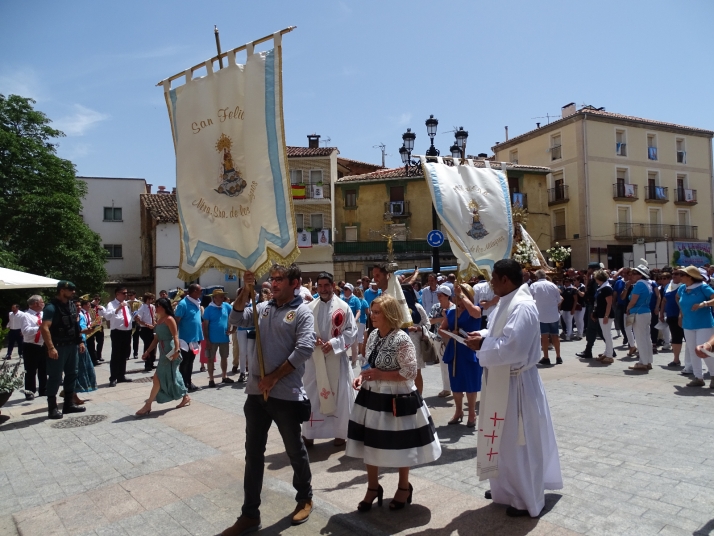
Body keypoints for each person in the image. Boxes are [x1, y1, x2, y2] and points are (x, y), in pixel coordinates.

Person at [222, 264, 316, 535]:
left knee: (293, 450)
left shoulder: (301, 312)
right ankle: (249, 514)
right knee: (253, 454)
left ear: (294, 282)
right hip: (255, 395)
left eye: (279, 279)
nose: (273, 284)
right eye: (271, 279)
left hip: (285, 396)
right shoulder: (261, 307)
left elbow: (305, 348)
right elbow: (237, 319)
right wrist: (245, 290)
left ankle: (305, 497)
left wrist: (274, 377)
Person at [464, 259, 562, 517]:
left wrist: (481, 347)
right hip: (501, 380)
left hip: (517, 384)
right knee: (501, 440)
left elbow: (513, 347)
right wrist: (483, 337)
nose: (490, 284)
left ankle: (525, 497)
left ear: (505, 279)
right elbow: (499, 332)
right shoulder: (506, 302)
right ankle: (505, 489)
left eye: (493, 279)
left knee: (519, 442)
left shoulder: (522, 306)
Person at [347, 294, 441, 512]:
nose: (372, 315)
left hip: (397, 396)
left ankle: (403, 486)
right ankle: (372, 487)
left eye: (377, 312)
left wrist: (380, 374)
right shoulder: (371, 336)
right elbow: (368, 362)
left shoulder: (402, 338)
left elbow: (409, 372)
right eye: (372, 311)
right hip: (372, 395)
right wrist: (362, 376)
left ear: (389, 314)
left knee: (401, 442)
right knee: (370, 442)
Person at [302, 272, 357, 448]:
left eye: (327, 285)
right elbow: (302, 330)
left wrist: (333, 343)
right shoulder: (309, 307)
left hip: (336, 357)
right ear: (316, 287)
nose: (323, 289)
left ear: (333, 286)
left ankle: (340, 433)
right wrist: (313, 340)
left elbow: (351, 332)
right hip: (314, 359)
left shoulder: (344, 307)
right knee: (312, 394)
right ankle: (309, 434)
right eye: (320, 286)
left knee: (339, 395)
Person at [39, 281, 87, 419]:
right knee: (55, 377)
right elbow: (44, 327)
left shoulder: (71, 305)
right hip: (58, 347)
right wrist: (51, 347)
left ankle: (68, 404)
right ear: (62, 290)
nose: (73, 292)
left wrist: (80, 341)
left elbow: (75, 325)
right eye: (70, 289)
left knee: (72, 374)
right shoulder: (51, 307)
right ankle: (52, 408)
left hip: (72, 345)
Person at [135, 298, 190, 415]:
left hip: (170, 350)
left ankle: (148, 405)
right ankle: (185, 396)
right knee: (173, 373)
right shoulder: (159, 320)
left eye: (158, 306)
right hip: (163, 349)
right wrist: (147, 351)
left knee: (157, 377)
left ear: (164, 307)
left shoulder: (170, 319)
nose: (156, 307)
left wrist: (177, 350)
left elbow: (175, 336)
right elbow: (156, 339)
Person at [439, 283, 482, 427]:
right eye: (457, 296)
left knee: (470, 384)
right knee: (456, 384)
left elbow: (475, 314)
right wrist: (452, 334)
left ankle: (471, 413)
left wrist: (462, 295)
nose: (458, 299)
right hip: (455, 350)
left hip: (469, 350)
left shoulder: (474, 310)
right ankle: (458, 411)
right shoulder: (451, 313)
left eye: (461, 295)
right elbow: (441, 330)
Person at [677, 266, 714, 386]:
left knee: (704, 350)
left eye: (682, 275)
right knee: (693, 351)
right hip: (688, 324)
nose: (679, 276)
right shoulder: (682, 288)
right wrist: (681, 315)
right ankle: (698, 377)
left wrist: (704, 304)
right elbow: (679, 300)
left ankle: (713, 375)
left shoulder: (703, 287)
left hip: (704, 324)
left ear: (690, 277)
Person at [530, 270, 563, 365]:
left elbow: (530, 299)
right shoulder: (553, 285)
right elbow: (559, 299)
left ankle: (546, 357)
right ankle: (558, 356)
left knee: (544, 336)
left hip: (541, 315)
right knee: (555, 335)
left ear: (536, 277)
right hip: (553, 314)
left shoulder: (534, 286)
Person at [203, 289, 235, 387]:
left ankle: (224, 376)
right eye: (220, 296)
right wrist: (207, 340)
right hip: (212, 339)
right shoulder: (208, 309)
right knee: (210, 359)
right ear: (214, 298)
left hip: (224, 338)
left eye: (222, 296)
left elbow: (235, 316)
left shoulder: (226, 306)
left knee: (224, 358)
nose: (222, 298)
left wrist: (233, 329)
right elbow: (205, 326)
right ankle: (211, 379)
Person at [175, 283, 203, 392]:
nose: (201, 293)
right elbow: (176, 320)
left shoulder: (196, 303)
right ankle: (183, 384)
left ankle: (188, 382)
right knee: (184, 362)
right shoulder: (183, 304)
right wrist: (175, 337)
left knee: (191, 361)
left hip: (195, 339)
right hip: (184, 339)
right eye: (200, 291)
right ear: (194, 291)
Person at [626, 261, 653, 371]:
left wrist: (627, 308)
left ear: (641, 275)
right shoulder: (648, 284)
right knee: (646, 338)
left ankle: (643, 362)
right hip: (645, 312)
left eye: (635, 273)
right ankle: (648, 361)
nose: (632, 275)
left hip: (638, 312)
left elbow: (633, 300)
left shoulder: (639, 284)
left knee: (640, 338)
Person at [403, 284, 430, 395]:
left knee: (416, 372)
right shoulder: (399, 309)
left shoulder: (418, 307)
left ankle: (419, 397)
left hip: (416, 344)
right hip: (402, 343)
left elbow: (428, 324)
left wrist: (416, 328)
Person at [429, 284, 455, 398]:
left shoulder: (454, 308)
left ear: (447, 296)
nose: (438, 297)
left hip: (452, 339)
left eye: (441, 295)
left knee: (455, 364)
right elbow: (430, 321)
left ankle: (457, 388)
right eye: (438, 294)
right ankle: (446, 388)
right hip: (439, 339)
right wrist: (443, 318)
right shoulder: (436, 307)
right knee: (443, 365)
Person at [19, 295, 47, 400]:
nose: (43, 303)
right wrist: (39, 327)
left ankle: (44, 389)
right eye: (42, 302)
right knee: (30, 370)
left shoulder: (43, 314)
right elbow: (25, 331)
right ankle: (30, 391)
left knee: (43, 368)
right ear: (36, 303)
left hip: (43, 344)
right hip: (30, 345)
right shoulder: (25, 315)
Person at [105, 286, 134, 386]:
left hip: (127, 331)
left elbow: (127, 316)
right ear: (117, 294)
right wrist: (118, 308)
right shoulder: (111, 304)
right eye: (124, 293)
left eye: (126, 293)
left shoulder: (127, 304)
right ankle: (113, 378)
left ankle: (121, 376)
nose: (126, 295)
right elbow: (107, 316)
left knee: (124, 354)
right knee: (116, 355)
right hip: (117, 332)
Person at [662, 269, 685, 367]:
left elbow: (683, 303)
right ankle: (676, 360)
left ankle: (692, 362)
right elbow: (664, 300)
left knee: (688, 339)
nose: (674, 276)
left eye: (677, 274)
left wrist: (681, 315)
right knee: (675, 338)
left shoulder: (684, 287)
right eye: (673, 274)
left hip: (683, 316)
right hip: (671, 316)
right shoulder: (668, 286)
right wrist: (661, 313)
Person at [75, 300, 98, 396]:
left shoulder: (81, 316)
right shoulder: (71, 317)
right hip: (75, 344)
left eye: (80, 305)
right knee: (76, 369)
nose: (79, 307)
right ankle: (73, 392)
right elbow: (76, 331)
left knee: (86, 367)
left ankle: (82, 388)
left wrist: (90, 329)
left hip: (83, 342)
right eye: (76, 305)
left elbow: (82, 329)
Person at [592, 270, 615, 363]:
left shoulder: (606, 288)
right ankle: (607, 352)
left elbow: (609, 303)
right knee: (606, 334)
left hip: (606, 315)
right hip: (602, 313)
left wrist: (606, 315)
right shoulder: (602, 287)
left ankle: (610, 355)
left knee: (607, 335)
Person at [342, 283, 362, 367]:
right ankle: (343, 362)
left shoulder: (355, 299)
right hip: (344, 324)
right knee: (343, 342)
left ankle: (354, 361)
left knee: (354, 343)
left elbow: (358, 311)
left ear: (350, 290)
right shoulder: (342, 299)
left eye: (346, 289)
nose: (344, 290)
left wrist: (354, 320)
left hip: (353, 324)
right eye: (344, 289)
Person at [136, 293, 157, 371]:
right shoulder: (142, 308)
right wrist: (148, 325)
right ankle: (147, 364)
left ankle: (152, 363)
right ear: (147, 299)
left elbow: (154, 317)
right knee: (147, 346)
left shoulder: (152, 307)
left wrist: (154, 323)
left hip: (152, 328)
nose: (152, 300)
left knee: (153, 345)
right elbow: (139, 320)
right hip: (145, 329)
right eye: (151, 299)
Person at [353, 287, 369, 363]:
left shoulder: (363, 301)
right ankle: (358, 352)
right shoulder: (359, 301)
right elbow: (367, 312)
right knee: (358, 337)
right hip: (358, 321)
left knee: (359, 337)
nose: (356, 293)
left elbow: (367, 312)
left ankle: (360, 352)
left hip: (361, 321)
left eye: (357, 291)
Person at [559, 277, 578, 342]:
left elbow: (575, 300)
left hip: (570, 308)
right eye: (565, 282)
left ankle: (568, 335)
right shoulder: (563, 289)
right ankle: (568, 333)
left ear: (570, 282)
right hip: (563, 308)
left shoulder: (573, 289)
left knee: (569, 321)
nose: (566, 283)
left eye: (567, 282)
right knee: (565, 321)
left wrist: (573, 309)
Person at [90, 295, 106, 363]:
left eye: (98, 299)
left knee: (100, 341)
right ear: (93, 299)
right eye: (96, 299)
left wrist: (101, 309)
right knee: (91, 342)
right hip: (92, 326)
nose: (97, 301)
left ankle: (99, 355)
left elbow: (106, 315)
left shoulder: (101, 307)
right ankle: (94, 356)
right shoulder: (89, 306)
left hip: (99, 325)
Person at [126, 290, 141, 359]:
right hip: (129, 322)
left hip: (136, 322)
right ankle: (127, 354)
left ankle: (135, 353)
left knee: (136, 339)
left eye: (131, 295)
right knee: (128, 339)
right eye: (128, 295)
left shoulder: (139, 302)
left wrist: (138, 317)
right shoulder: (126, 303)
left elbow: (141, 311)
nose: (129, 297)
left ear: (134, 295)